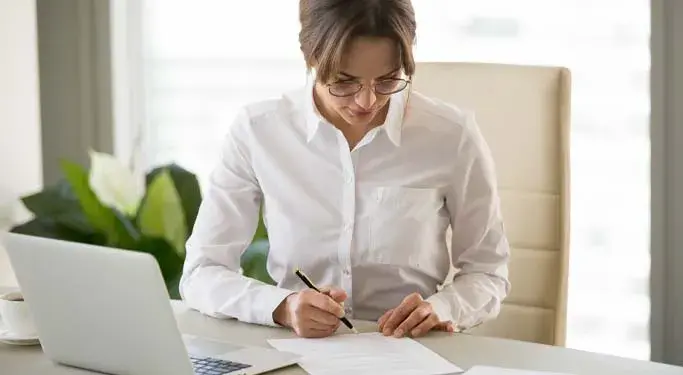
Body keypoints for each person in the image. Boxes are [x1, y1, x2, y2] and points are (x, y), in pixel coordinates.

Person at [179, 0, 510, 339]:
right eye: (344, 82)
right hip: (298, 352)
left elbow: (488, 272)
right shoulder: (258, 131)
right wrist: (282, 307)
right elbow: (203, 272)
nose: (367, 101)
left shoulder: (451, 136)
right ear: (310, 57)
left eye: (387, 79)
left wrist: (441, 308)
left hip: (414, 353)